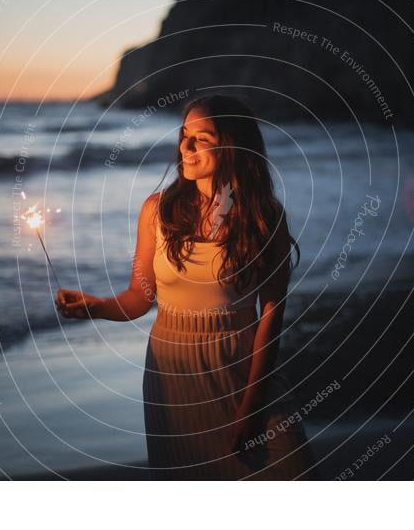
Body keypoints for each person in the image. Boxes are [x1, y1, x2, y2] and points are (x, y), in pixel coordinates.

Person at [56, 94, 317, 480]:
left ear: (231, 145)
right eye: (184, 135)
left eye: (202, 137)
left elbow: (271, 313)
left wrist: (251, 406)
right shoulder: (156, 211)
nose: (186, 146)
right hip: (171, 374)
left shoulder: (264, 218)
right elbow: (139, 298)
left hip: (240, 370)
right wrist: (93, 306)